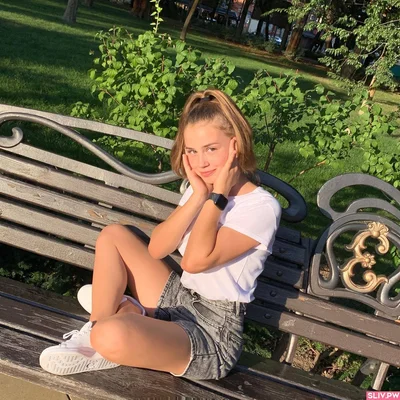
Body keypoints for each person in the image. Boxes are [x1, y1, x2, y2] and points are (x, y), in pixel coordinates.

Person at [39, 89, 281, 380]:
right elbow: (157, 249)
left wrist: (218, 197)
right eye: (192, 151)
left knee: (110, 335)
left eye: (211, 149)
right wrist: (198, 196)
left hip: (211, 332)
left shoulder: (261, 208)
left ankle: (119, 323)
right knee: (114, 235)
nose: (201, 162)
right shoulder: (200, 189)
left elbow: (193, 261)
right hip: (180, 298)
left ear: (235, 145)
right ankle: (98, 329)